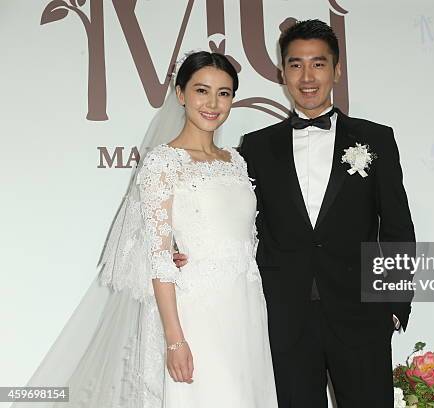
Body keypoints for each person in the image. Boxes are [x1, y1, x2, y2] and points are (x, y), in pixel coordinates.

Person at [15, 51, 277, 407]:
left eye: (224, 93)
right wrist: (174, 339)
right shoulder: (162, 163)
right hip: (196, 313)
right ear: (181, 94)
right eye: (202, 90)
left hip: (245, 309)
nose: (213, 103)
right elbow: (158, 258)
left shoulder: (236, 161)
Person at [174, 20, 415, 407]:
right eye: (295, 64)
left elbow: (399, 228)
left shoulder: (376, 139)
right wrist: (180, 250)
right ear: (282, 72)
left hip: (362, 317)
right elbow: (234, 223)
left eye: (318, 64)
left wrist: (395, 307)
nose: (307, 76)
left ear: (336, 70)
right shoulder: (254, 148)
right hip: (283, 320)